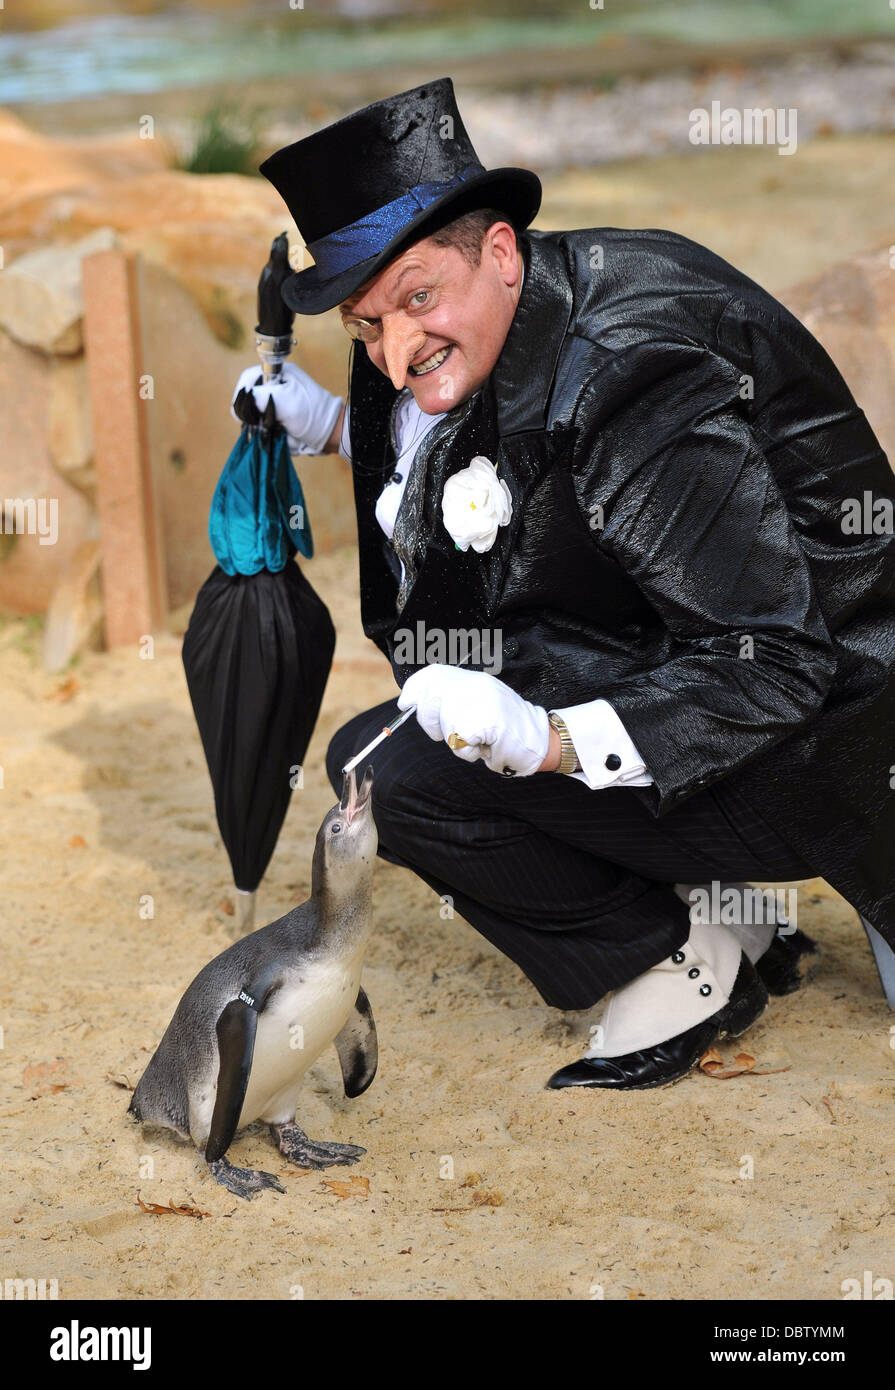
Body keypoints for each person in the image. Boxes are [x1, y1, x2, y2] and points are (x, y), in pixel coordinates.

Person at [231, 76, 895, 1089]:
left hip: (833, 736)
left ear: (498, 250)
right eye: (366, 325)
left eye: (415, 299)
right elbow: (497, 461)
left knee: (410, 772)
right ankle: (700, 929)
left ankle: (697, 944)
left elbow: (772, 659)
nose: (395, 351)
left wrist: (545, 741)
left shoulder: (637, 373)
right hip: (705, 676)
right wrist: (331, 426)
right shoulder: (501, 308)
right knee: (391, 749)